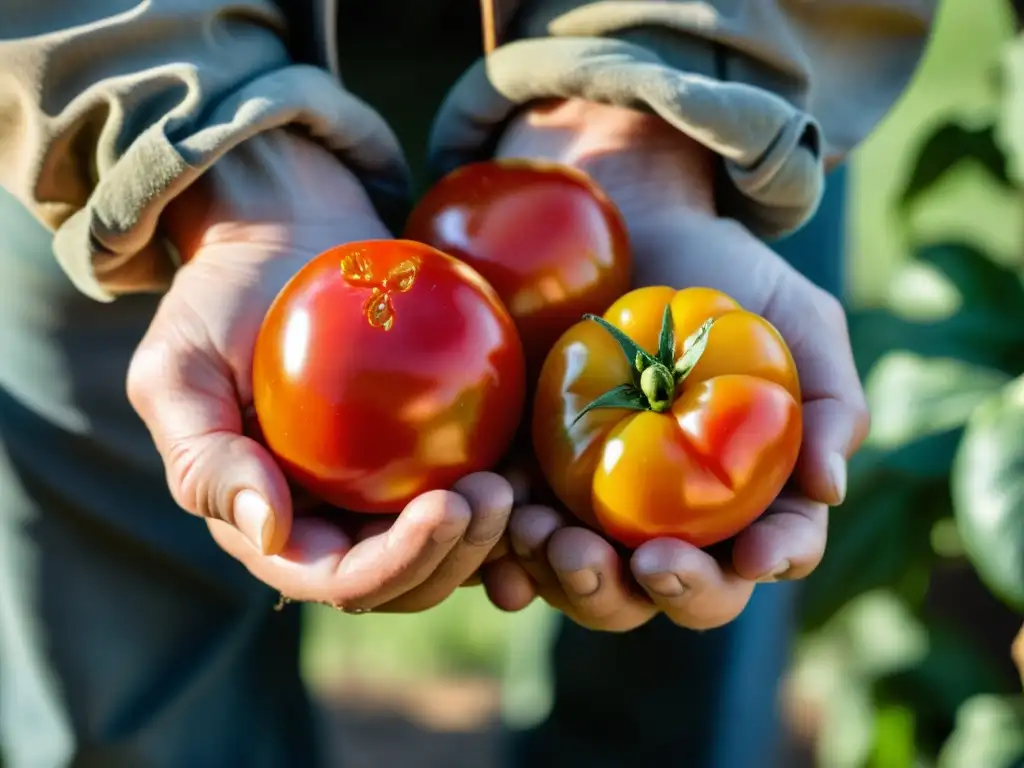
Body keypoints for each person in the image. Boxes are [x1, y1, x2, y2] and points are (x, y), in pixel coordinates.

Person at [0, 1, 929, 766]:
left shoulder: (686, 327)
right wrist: (173, 125)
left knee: (681, 699)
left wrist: (657, 91)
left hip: (716, 63)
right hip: (121, 41)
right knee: (128, 679)